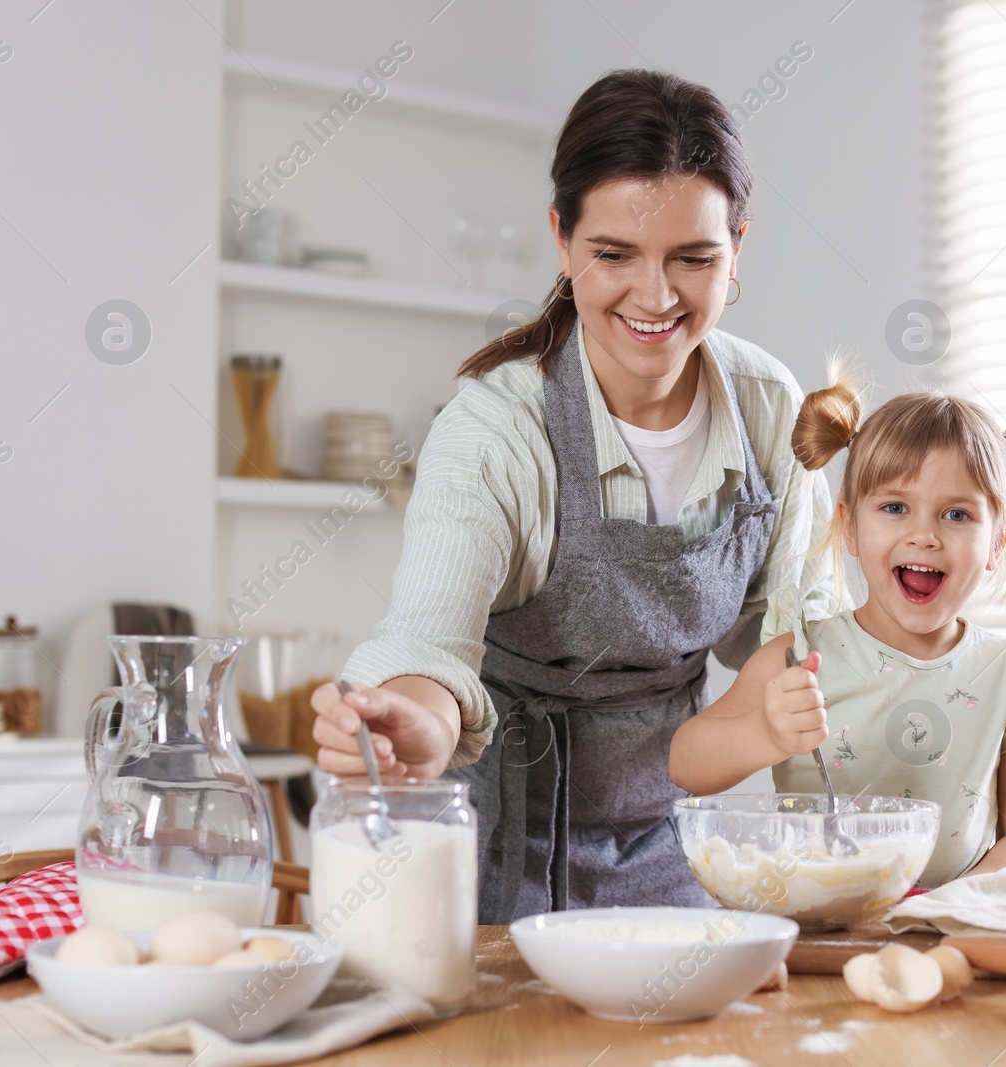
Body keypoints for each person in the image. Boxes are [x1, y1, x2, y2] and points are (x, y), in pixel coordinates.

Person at [307, 69, 832, 924]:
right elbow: (426, 640)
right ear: (562, 239)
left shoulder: (770, 408)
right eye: (614, 255)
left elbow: (797, 631)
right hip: (491, 859)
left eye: (693, 258)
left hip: (680, 852)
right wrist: (412, 724)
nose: (655, 298)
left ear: (738, 245)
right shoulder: (496, 431)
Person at [669, 374, 1006, 886]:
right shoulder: (797, 655)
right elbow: (687, 763)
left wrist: (956, 904)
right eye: (894, 508)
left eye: (957, 514)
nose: (924, 535)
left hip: (950, 933)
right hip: (817, 916)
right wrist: (764, 733)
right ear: (850, 527)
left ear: (998, 542)